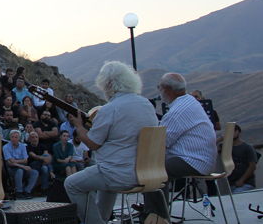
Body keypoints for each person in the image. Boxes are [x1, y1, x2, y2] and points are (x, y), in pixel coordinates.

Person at [64, 61, 159, 224]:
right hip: (149, 172)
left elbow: (93, 144)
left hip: (120, 174)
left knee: (72, 183)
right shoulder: (147, 105)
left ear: (109, 84)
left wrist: (79, 127)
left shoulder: (111, 109)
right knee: (104, 180)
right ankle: (102, 218)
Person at [137, 72, 218, 221]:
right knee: (154, 168)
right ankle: (153, 211)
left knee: (153, 170)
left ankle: (156, 217)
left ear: (167, 89)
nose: (159, 91)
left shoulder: (176, 112)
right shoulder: (189, 102)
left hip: (195, 160)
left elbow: (161, 143)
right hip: (200, 158)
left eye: (159, 87)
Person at [3, 130, 39, 200]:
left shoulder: (23, 146)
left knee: (34, 173)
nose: (14, 139)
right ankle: (18, 192)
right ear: (9, 138)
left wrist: (15, 161)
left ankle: (26, 191)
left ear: (19, 138)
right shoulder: (5, 147)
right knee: (19, 171)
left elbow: (25, 160)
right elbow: (10, 163)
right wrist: (22, 166)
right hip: (10, 169)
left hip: (21, 166)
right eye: (12, 137)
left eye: (16, 137)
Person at [225, 124, 258, 193]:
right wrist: (222, 138)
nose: (232, 133)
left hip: (246, 183)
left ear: (239, 133)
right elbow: (211, 147)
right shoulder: (225, 146)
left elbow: (252, 166)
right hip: (232, 183)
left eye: (234, 131)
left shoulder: (247, 147)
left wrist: (242, 180)